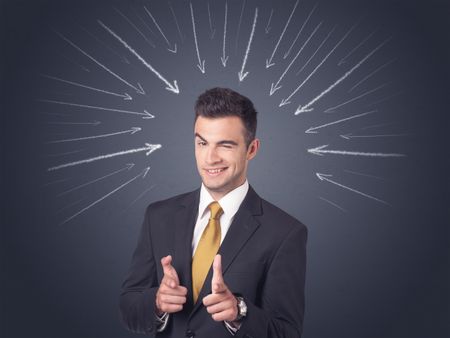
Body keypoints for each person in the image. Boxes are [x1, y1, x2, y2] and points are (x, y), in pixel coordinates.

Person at [119, 87, 307, 338]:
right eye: (202, 143)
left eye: (225, 145)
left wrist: (240, 312)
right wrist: (157, 301)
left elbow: (287, 333)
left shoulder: (285, 233)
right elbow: (128, 309)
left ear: (251, 149)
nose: (210, 158)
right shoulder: (158, 216)